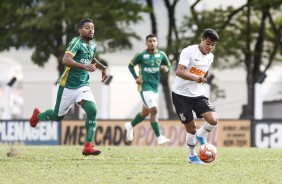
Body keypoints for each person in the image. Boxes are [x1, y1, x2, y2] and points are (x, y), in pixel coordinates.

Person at [29, 19, 109, 156]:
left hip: (83, 85)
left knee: (92, 110)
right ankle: (38, 115)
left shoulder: (92, 46)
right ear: (80, 30)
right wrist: (85, 66)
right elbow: (65, 60)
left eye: (93, 28)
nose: (91, 30)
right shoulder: (76, 42)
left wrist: (103, 68)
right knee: (57, 116)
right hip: (68, 86)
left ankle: (88, 146)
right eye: (87, 28)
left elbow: (91, 58)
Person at [171, 28, 219, 164]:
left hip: (197, 94)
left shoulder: (210, 57)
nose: (209, 47)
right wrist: (194, 78)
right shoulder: (189, 51)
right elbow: (179, 72)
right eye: (207, 43)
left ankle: (200, 134)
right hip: (180, 95)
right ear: (202, 40)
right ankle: (192, 156)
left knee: (213, 120)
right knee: (190, 128)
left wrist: (202, 79)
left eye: (213, 45)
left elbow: (205, 72)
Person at [124, 34, 171, 145]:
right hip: (144, 88)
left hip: (155, 89)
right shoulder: (141, 55)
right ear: (146, 43)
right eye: (149, 41)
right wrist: (136, 78)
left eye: (154, 41)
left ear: (157, 42)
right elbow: (130, 66)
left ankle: (130, 125)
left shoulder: (161, 55)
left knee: (145, 113)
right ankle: (159, 137)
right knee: (154, 110)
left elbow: (169, 67)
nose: (152, 43)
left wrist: (166, 69)